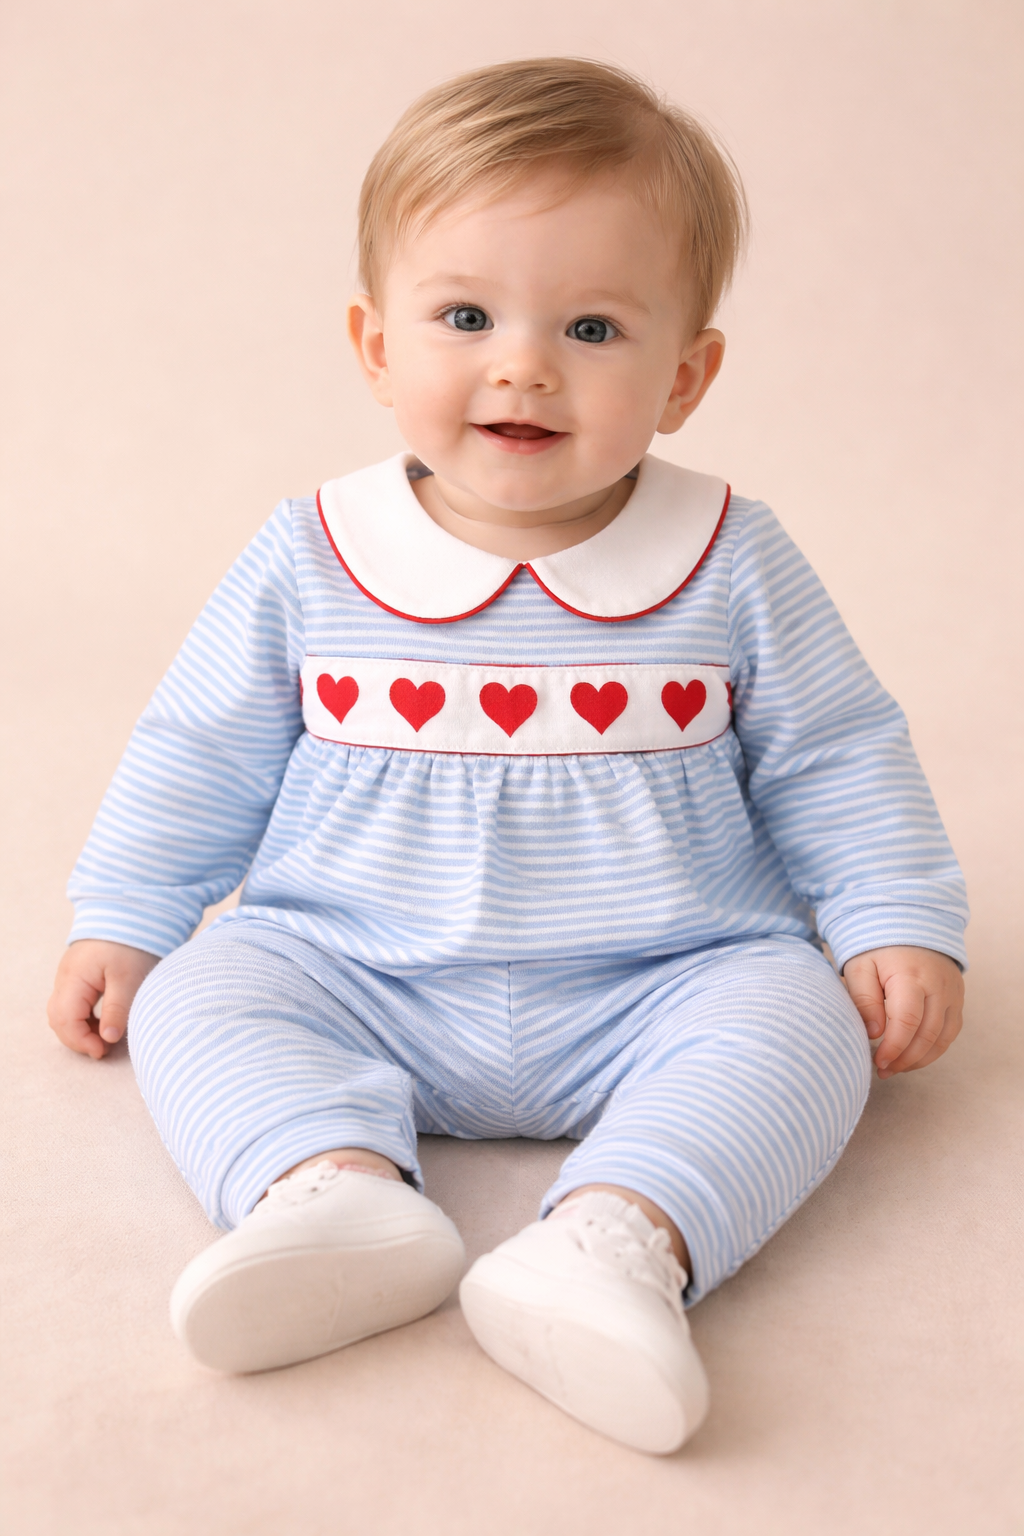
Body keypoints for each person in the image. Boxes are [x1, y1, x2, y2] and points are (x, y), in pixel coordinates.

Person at [46, 58, 967, 1455]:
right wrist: (125, 915)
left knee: (799, 1026)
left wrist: (894, 921)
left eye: (594, 325)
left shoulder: (731, 559)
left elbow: (837, 755)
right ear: (373, 346)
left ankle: (619, 1237)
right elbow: (199, 745)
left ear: (688, 375)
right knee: (205, 991)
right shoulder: (310, 554)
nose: (523, 363)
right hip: (356, 965)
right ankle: (332, 1191)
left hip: (663, 975)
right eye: (465, 315)